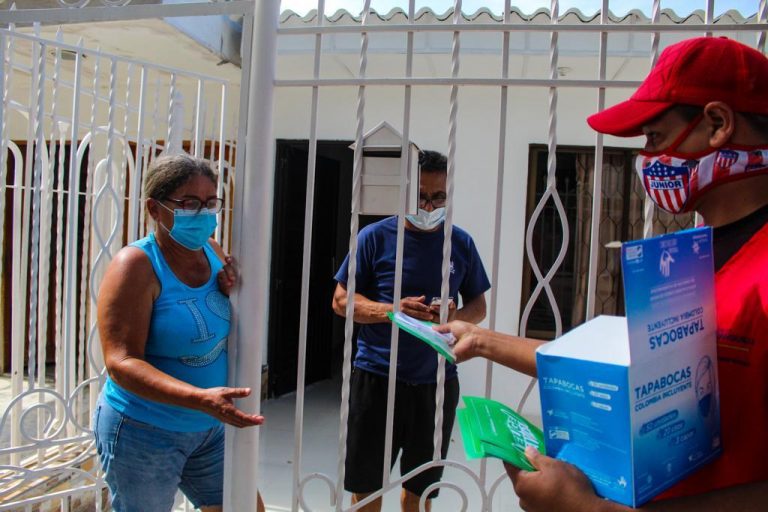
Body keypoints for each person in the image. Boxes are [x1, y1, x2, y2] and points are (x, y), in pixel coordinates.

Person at [435, 36, 768, 511]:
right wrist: (482, 341)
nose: (647, 160)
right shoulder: (687, 259)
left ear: (717, 124)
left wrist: (589, 509)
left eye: (654, 138)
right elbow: (623, 372)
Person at [94, 154, 265, 512]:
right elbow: (121, 362)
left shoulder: (212, 251)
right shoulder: (136, 266)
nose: (203, 213)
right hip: (145, 431)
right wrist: (198, 397)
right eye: (189, 203)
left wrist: (229, 287)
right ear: (155, 209)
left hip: (208, 429)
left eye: (210, 203)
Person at [332, 150, 491, 512]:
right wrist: (393, 311)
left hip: (436, 384)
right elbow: (341, 301)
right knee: (367, 488)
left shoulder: (461, 242)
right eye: (420, 196)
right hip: (377, 379)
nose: (428, 205)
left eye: (438, 197)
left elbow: (478, 307)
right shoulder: (374, 237)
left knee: (421, 490)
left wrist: (453, 318)